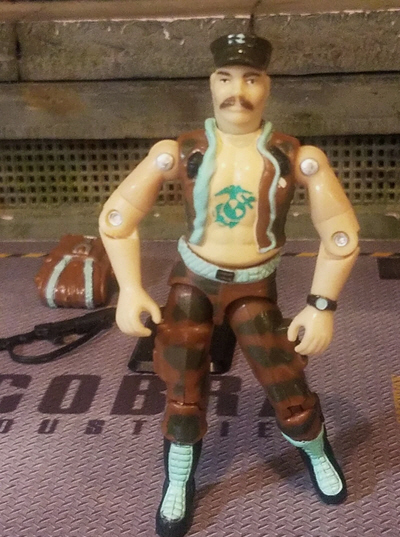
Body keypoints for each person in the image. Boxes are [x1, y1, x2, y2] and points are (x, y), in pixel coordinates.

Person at [99, 33, 359, 537]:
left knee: (284, 376)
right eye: (225, 78)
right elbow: (117, 217)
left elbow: (340, 233)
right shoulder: (180, 152)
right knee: (182, 384)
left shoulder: (295, 157)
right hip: (192, 281)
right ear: (211, 84)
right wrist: (129, 287)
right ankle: (179, 477)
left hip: (254, 286)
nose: (236, 91)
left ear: (267, 86)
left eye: (250, 79)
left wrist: (321, 304)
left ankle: (315, 450)